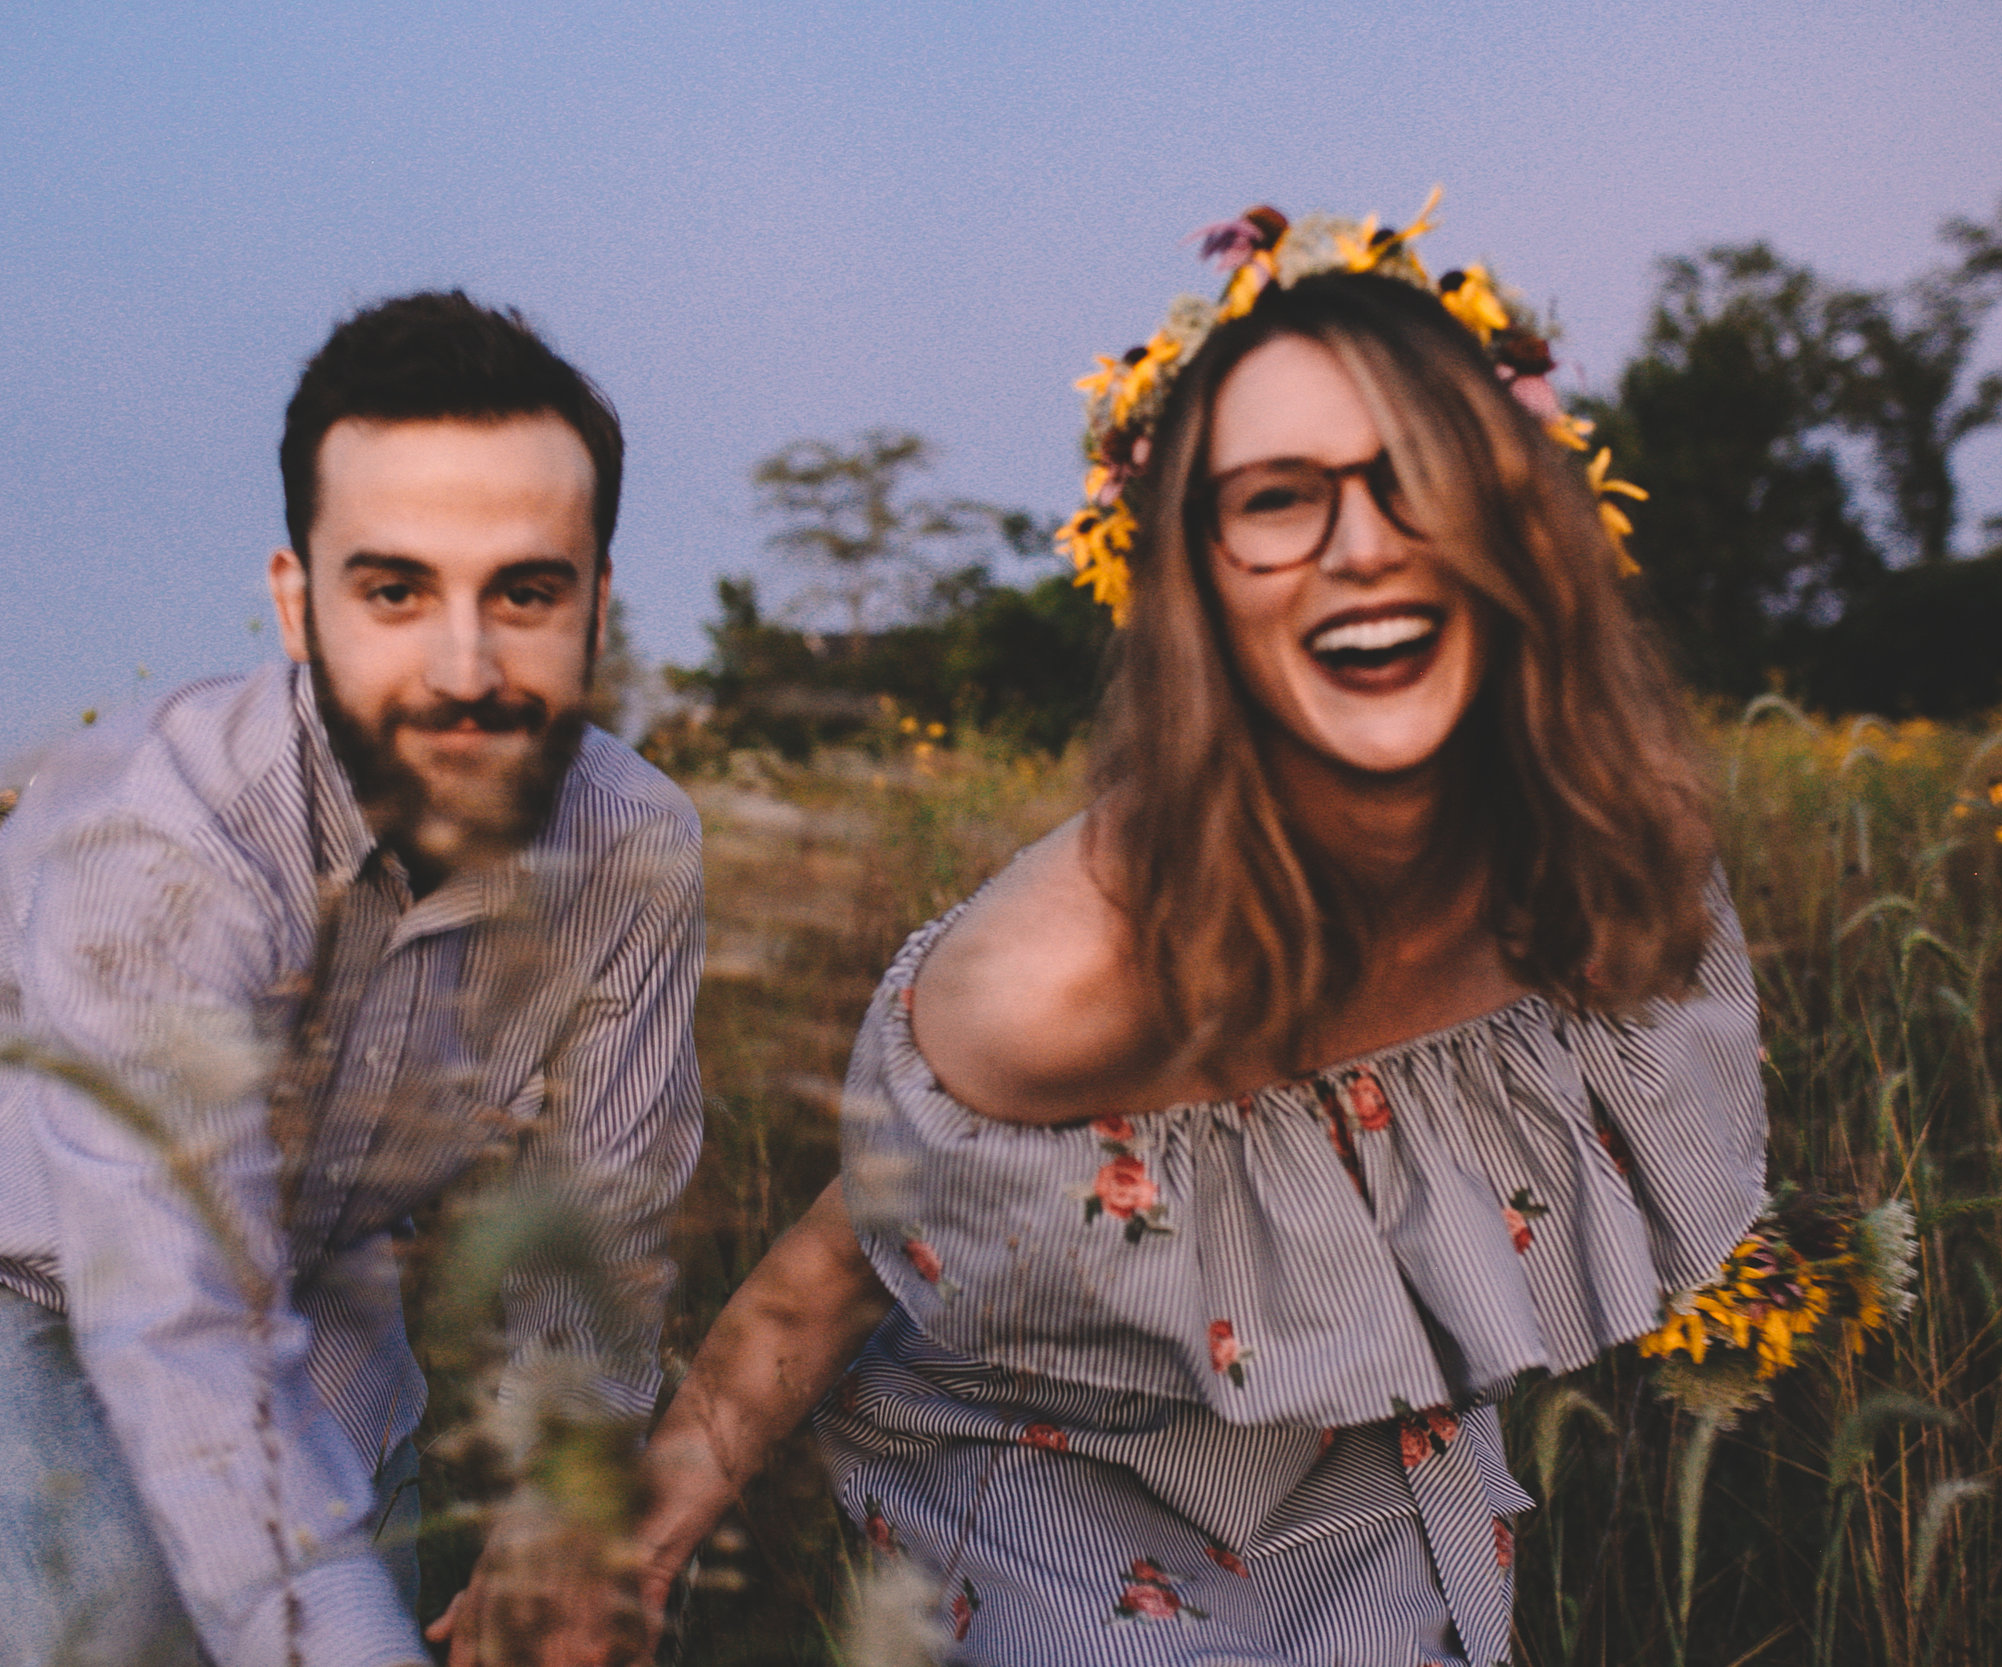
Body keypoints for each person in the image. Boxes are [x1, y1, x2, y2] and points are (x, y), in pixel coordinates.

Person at [614, 201, 1768, 1667]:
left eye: (1421, 473)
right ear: (1195, 588)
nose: (1362, 543)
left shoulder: (1611, 872)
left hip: (1379, 1486)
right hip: (1061, 1510)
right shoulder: (1060, 977)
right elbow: (842, 1258)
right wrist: (634, 1551)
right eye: (1279, 496)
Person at [0, 292, 706, 1667]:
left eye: (524, 591)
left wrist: (565, 1508)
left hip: (313, 1277)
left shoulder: (635, 848)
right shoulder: (159, 836)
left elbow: (600, 1222)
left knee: (402, 1599)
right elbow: (179, 1323)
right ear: (297, 601)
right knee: (123, 1624)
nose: (465, 670)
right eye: (394, 590)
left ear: (595, 606)